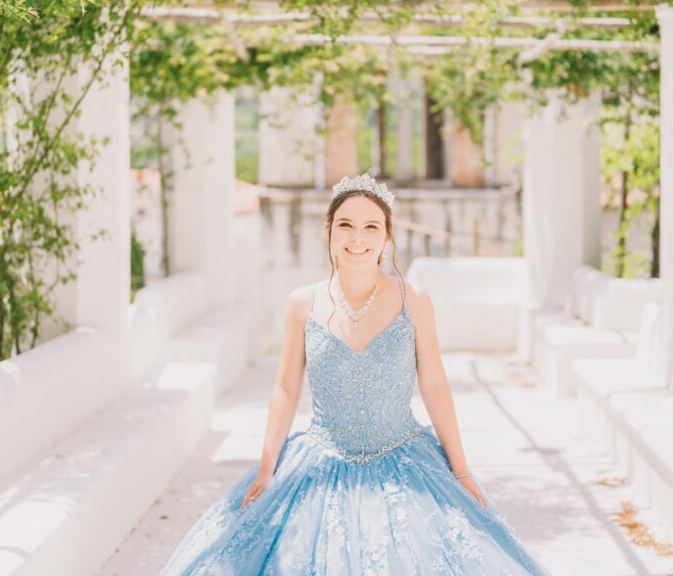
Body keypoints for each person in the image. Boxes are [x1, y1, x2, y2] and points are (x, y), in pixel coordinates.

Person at [158, 173, 551, 575]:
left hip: (405, 456)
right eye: (345, 225)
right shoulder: (302, 303)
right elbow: (285, 387)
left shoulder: (412, 298)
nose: (357, 237)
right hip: (321, 459)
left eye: (370, 227)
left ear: (386, 237)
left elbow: (433, 384)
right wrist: (266, 465)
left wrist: (461, 469)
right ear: (328, 232)